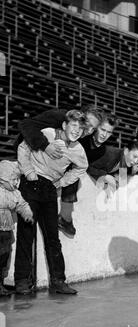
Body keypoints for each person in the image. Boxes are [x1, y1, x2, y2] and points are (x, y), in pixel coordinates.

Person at [15, 109, 88, 295]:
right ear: (64, 125)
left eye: (80, 128)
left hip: (49, 188)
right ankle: (22, 281)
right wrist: (29, 173)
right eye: (73, 126)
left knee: (52, 238)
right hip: (30, 183)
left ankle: (58, 281)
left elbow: (81, 168)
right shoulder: (47, 133)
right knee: (26, 233)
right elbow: (23, 148)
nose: (76, 131)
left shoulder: (78, 150)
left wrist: (61, 182)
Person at [16, 106, 119, 235]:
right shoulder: (60, 117)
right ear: (81, 116)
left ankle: (64, 218)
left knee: (73, 174)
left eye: (93, 129)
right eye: (88, 124)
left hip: (46, 172)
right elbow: (26, 125)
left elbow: (85, 166)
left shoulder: (83, 136)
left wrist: (104, 175)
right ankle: (65, 217)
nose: (88, 130)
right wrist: (45, 146)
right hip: (25, 154)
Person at [0, 161, 34, 296]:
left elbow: (22, 205)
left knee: (4, 256)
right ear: (3, 178)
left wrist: (28, 214)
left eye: (17, 179)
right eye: (13, 179)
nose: (16, 183)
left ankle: (0, 283)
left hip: (6, 232)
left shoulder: (15, 193)